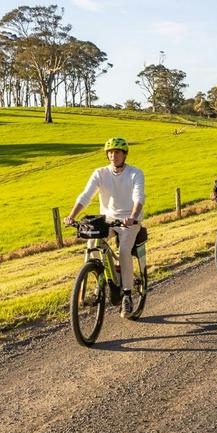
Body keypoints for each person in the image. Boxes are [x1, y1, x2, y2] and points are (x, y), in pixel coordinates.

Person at [64, 136, 145, 318]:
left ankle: (126, 295)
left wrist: (132, 217)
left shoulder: (135, 173)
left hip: (129, 221)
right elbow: (86, 196)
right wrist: (71, 216)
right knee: (92, 243)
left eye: (117, 152)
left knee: (124, 250)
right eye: (110, 152)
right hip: (108, 219)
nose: (113, 156)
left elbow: (139, 197)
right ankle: (96, 278)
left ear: (124, 154)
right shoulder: (100, 173)